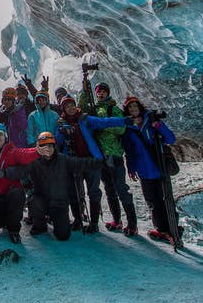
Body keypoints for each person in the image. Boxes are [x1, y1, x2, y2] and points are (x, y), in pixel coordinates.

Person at [1, 132, 103, 241]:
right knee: (34, 201)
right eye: (43, 146)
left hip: (59, 205)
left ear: (54, 146)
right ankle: (40, 226)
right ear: (39, 148)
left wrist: (98, 162)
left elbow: (81, 163)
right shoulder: (34, 161)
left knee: (63, 235)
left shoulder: (64, 160)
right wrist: (4, 173)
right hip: (42, 201)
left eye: (50, 146)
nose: (47, 149)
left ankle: (56, 221)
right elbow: (21, 170)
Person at [55, 95, 128, 233]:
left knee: (93, 191)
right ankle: (78, 219)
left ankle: (93, 223)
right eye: (67, 106)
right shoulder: (61, 123)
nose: (70, 108)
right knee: (75, 192)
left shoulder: (85, 119)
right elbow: (57, 141)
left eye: (72, 105)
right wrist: (61, 131)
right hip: (73, 162)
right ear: (63, 108)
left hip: (91, 160)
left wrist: (123, 121)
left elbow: (104, 122)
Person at [79, 82, 137, 235]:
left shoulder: (114, 108)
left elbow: (121, 128)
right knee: (109, 189)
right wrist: (85, 91)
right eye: (99, 92)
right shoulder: (94, 109)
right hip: (101, 155)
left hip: (114, 153)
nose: (101, 94)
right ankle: (117, 220)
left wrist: (103, 126)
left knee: (121, 189)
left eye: (104, 91)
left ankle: (132, 224)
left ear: (108, 93)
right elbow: (82, 108)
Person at [121, 96, 178, 242]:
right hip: (144, 170)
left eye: (135, 106)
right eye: (130, 107)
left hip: (159, 168)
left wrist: (158, 126)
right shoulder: (128, 128)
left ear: (140, 107)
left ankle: (173, 229)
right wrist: (131, 168)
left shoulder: (151, 121)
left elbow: (171, 139)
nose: (133, 109)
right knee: (152, 201)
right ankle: (161, 229)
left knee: (165, 199)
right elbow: (129, 151)